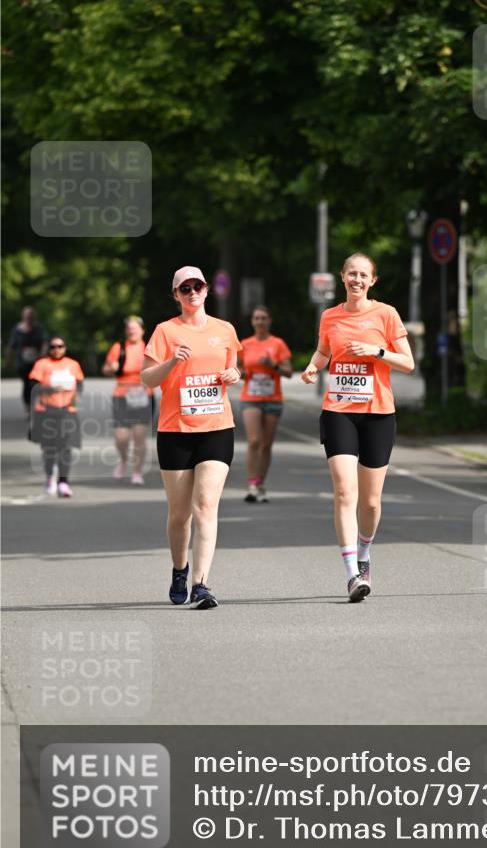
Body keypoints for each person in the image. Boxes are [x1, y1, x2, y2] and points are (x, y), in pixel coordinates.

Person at [301, 253, 414, 602]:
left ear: (372, 280)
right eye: (352, 273)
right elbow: (323, 353)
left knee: (370, 501)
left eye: (363, 275)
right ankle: (352, 574)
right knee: (345, 493)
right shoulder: (330, 316)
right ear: (342, 277)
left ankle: (364, 552)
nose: (357, 280)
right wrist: (311, 368)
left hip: (378, 413)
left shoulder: (386, 314)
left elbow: (408, 363)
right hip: (339, 412)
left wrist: (376, 351)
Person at [141, 266, 242, 610]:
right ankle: (180, 569)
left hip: (217, 427)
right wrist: (171, 362)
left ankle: (201, 584)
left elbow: (234, 367)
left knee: (206, 506)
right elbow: (147, 379)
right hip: (175, 431)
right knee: (179, 514)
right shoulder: (165, 331)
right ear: (176, 295)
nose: (192, 292)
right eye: (185, 288)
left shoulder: (225, 329)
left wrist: (234, 374)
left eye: (197, 286)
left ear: (207, 290)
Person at [238, 305, 292, 502]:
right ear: (252, 322)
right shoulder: (245, 344)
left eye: (264, 318)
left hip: (272, 399)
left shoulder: (277, 344)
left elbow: (288, 371)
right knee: (254, 441)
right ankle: (252, 484)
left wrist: (273, 365)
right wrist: (241, 373)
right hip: (250, 398)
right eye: (257, 318)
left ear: (269, 321)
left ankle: (260, 483)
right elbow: (238, 369)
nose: (260, 321)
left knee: (266, 445)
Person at [28, 336, 84, 498]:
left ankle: (64, 482)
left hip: (67, 410)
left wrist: (76, 396)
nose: (56, 349)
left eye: (60, 346)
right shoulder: (42, 364)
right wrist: (49, 388)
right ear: (49, 349)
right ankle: (50, 477)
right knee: (49, 448)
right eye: (53, 347)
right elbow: (32, 386)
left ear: (65, 348)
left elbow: (79, 383)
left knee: (66, 447)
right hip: (47, 411)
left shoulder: (73, 364)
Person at [102, 316, 153, 486]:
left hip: (143, 394)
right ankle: (123, 460)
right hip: (121, 394)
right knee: (121, 437)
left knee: (139, 435)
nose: (132, 331)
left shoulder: (149, 348)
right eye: (129, 329)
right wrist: (111, 368)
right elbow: (106, 369)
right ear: (126, 331)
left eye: (135, 328)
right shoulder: (118, 348)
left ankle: (137, 471)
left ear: (142, 330)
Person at [5, 307, 49, 417]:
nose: (29, 318)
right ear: (23, 317)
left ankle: (38, 403)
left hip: (36, 363)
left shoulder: (38, 329)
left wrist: (43, 354)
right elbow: (11, 346)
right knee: (26, 384)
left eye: (31, 316)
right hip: (22, 363)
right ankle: (28, 406)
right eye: (27, 316)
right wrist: (8, 360)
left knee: (36, 383)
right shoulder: (17, 329)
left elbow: (44, 342)